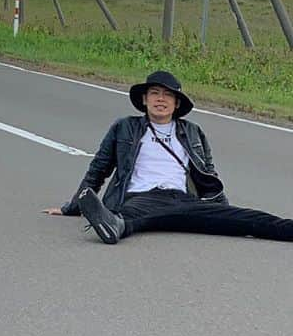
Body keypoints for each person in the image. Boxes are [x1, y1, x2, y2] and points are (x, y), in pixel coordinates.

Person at [43, 70, 293, 244]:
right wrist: (72, 207)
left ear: (176, 103)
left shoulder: (192, 132)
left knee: (246, 220)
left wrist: (221, 210)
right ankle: (113, 226)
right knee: (130, 217)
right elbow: (98, 170)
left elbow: (209, 175)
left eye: (167, 95)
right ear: (144, 99)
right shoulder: (124, 127)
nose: (160, 99)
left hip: (182, 200)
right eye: (154, 93)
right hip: (141, 198)